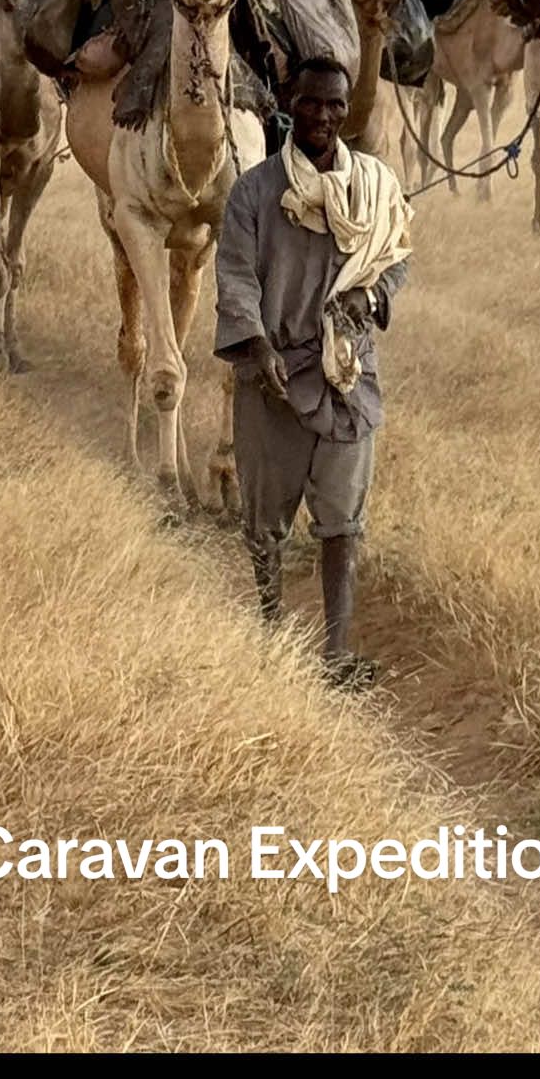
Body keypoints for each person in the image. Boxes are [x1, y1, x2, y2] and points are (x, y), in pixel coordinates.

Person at [214, 56, 412, 688]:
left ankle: (334, 654)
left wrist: (371, 297)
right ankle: (270, 636)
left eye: (335, 105)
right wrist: (256, 346)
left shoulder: (376, 185)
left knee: (343, 521)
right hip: (271, 375)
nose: (324, 117)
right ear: (286, 104)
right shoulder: (253, 192)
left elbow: (394, 256)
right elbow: (237, 276)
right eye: (310, 103)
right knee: (264, 520)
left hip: (349, 374)